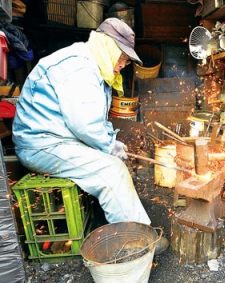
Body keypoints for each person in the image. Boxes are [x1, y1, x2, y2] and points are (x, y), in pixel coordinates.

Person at [12, 18, 168, 254]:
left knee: (112, 162)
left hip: (59, 139)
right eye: (123, 57)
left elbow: (95, 119)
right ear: (109, 47)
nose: (124, 64)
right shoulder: (79, 67)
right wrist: (109, 146)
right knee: (112, 171)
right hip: (42, 144)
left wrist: (110, 140)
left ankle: (129, 226)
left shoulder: (93, 66)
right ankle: (138, 241)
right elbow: (84, 124)